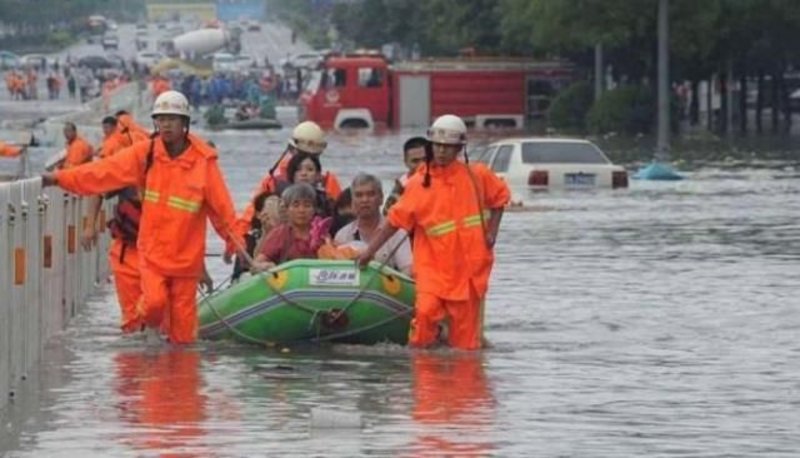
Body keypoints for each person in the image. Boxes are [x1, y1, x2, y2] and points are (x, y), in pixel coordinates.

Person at [41, 90, 244, 344]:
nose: (167, 124)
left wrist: (236, 245)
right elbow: (102, 172)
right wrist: (58, 179)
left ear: (185, 123)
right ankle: (139, 331)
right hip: (154, 256)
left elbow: (222, 210)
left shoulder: (204, 163)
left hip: (185, 262)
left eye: (172, 119)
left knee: (184, 338)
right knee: (154, 305)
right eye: (162, 119)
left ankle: (178, 380)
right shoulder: (145, 155)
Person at [356, 114, 510, 351]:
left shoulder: (477, 176)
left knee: (466, 345)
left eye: (447, 147)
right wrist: (370, 251)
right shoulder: (418, 184)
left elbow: (500, 199)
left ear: (459, 148)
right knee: (425, 318)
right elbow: (393, 222)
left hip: (469, 273)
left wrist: (492, 232)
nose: (441, 152)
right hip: (433, 271)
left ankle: (464, 386)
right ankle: (425, 382)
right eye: (437, 146)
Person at [228, 121, 341, 260]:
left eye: (312, 159)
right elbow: (250, 216)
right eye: (299, 168)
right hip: (278, 246)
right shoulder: (273, 183)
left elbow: (340, 220)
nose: (304, 174)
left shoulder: (329, 183)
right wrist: (236, 245)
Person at [79, 115, 146, 333]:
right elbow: (98, 190)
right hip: (127, 250)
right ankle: (135, 363)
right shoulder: (126, 170)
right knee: (131, 316)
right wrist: (89, 227)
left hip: (158, 252)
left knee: (158, 310)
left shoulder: (168, 171)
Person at [334, 173, 412, 276]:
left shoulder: (397, 233)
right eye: (359, 195)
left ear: (381, 199)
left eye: (370, 194)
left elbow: (408, 271)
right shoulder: (342, 235)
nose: (364, 200)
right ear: (352, 201)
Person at [251, 183, 328, 272]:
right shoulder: (280, 233)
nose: (301, 210)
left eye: (307, 206)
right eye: (296, 205)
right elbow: (257, 263)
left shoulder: (322, 233)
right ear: (287, 209)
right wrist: (266, 266)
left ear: (314, 209)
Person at [383, 136, 428, 214]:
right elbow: (386, 214)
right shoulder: (401, 185)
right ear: (406, 162)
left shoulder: (444, 179)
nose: (422, 165)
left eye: (425, 160)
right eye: (415, 161)